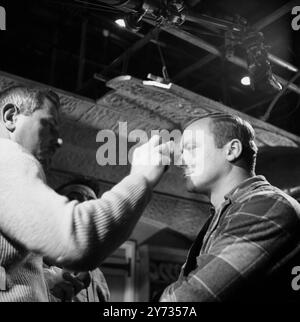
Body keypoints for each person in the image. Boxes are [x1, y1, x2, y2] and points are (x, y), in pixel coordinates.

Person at [0, 85, 171, 302]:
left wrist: (44, 284)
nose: (58, 140)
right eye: (49, 125)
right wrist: (142, 177)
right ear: (11, 116)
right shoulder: (6, 156)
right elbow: (78, 239)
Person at [160, 112, 300, 302]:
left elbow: (188, 299)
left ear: (232, 150)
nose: (182, 160)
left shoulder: (269, 205)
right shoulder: (226, 213)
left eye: (191, 148)